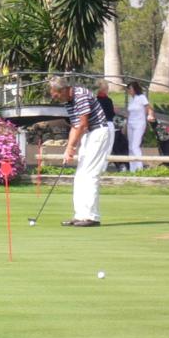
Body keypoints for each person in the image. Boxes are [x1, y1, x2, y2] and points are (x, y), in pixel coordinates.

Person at [48, 76, 112, 227]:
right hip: (89, 134)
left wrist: (72, 147)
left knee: (90, 174)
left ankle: (92, 217)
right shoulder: (68, 101)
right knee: (80, 175)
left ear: (64, 90)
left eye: (56, 94)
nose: (54, 97)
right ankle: (80, 215)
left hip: (98, 132)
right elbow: (75, 126)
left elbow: (83, 124)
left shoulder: (80, 95)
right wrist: (68, 149)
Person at [126, 81, 156, 172]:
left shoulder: (142, 97)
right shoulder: (131, 99)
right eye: (128, 89)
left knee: (135, 146)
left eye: (130, 89)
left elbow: (149, 108)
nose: (128, 90)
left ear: (135, 89)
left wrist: (150, 115)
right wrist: (125, 124)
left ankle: (139, 169)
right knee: (130, 147)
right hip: (130, 124)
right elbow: (129, 113)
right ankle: (132, 169)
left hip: (139, 124)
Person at [95, 79, 117, 156]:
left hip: (97, 125)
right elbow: (111, 114)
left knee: (98, 148)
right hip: (108, 123)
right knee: (108, 148)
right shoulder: (108, 100)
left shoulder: (94, 100)